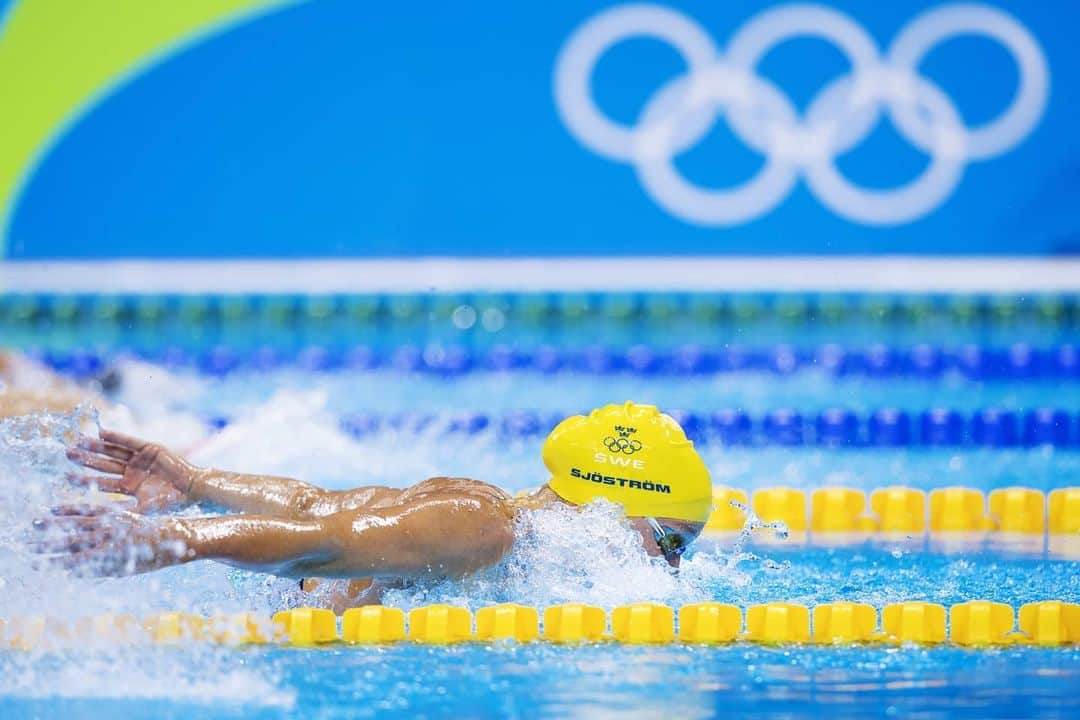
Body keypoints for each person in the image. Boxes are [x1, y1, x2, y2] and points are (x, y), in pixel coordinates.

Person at [35, 402, 714, 609]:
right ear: (613, 504)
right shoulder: (483, 528)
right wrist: (174, 538)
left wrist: (195, 480)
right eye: (672, 543)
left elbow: (318, 504)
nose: (673, 568)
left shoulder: (497, 513)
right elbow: (321, 540)